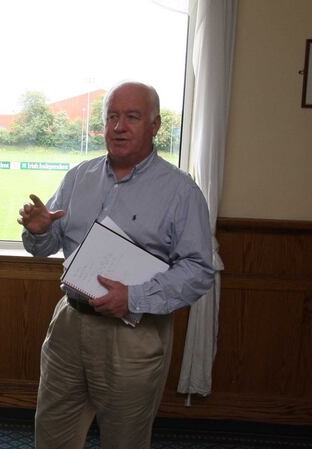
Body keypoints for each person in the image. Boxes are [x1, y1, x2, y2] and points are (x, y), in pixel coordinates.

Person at [18, 81, 215, 449]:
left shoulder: (181, 191)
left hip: (133, 335)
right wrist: (39, 232)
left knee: (125, 440)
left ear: (155, 126)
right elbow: (46, 246)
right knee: (52, 435)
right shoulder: (79, 177)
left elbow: (199, 270)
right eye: (112, 117)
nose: (119, 126)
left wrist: (135, 296)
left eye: (132, 117)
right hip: (69, 327)